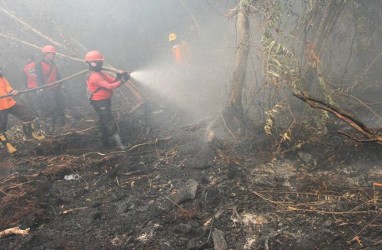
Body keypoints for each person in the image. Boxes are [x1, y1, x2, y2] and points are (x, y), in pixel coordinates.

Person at [84, 50, 129, 150]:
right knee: (109, 121)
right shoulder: (93, 76)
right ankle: (120, 145)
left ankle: (104, 143)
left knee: (103, 121)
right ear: (93, 63)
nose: (101, 64)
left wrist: (119, 77)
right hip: (99, 102)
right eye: (100, 62)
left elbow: (112, 81)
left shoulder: (99, 73)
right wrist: (123, 81)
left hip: (104, 101)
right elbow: (109, 86)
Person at [0, 67, 45, 154]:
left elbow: (7, 85)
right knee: (1, 128)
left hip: (9, 102)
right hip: (0, 107)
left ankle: (30, 136)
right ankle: (8, 145)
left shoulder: (1, 77)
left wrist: (12, 91)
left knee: (26, 114)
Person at [35, 45, 66, 133]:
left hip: (57, 88)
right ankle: (52, 126)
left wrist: (61, 84)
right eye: (52, 54)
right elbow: (39, 77)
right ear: (46, 54)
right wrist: (41, 87)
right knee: (52, 107)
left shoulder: (54, 63)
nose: (53, 56)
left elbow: (58, 75)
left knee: (61, 105)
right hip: (48, 90)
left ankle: (62, 125)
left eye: (53, 54)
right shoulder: (39, 64)